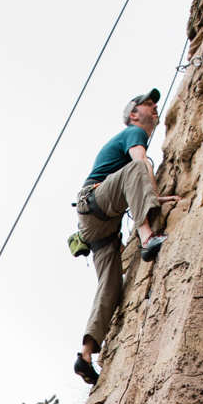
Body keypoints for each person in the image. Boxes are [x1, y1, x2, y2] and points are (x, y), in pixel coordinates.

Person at [71, 88, 169, 387]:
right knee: (138, 166)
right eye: (148, 105)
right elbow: (140, 165)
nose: (154, 108)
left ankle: (85, 356)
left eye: (155, 105)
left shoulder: (134, 131)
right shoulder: (133, 133)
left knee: (110, 286)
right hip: (96, 201)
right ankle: (148, 237)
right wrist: (157, 198)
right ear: (133, 115)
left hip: (97, 226)